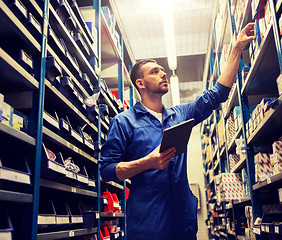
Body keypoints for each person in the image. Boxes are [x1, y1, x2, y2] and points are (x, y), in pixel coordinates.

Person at [100, 23, 255, 240]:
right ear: (140, 83)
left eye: (163, 70)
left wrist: (236, 49)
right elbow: (106, 170)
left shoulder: (180, 115)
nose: (163, 74)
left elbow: (217, 94)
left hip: (183, 221)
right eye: (155, 72)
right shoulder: (124, 122)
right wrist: (147, 162)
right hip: (148, 224)